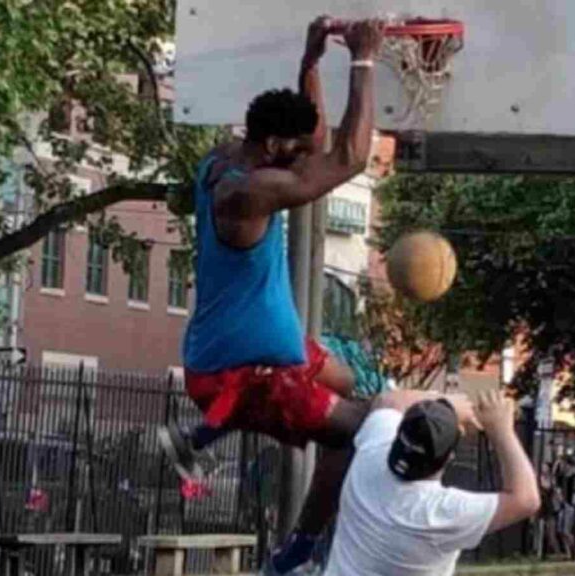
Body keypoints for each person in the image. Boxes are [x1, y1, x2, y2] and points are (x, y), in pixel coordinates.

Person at [155, 16, 388, 575]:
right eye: (296, 146)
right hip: (245, 368)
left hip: (256, 355)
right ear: (275, 145)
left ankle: (201, 433)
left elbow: (316, 138)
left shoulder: (225, 158)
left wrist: (310, 62)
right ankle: (295, 555)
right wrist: (363, 60)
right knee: (362, 432)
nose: (307, 150)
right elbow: (348, 157)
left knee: (360, 384)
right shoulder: (250, 193)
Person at [324, 390, 541, 575]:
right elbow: (526, 499)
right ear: (449, 458)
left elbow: (387, 401)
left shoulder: (371, 455)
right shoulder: (439, 513)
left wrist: (444, 401)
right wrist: (501, 429)